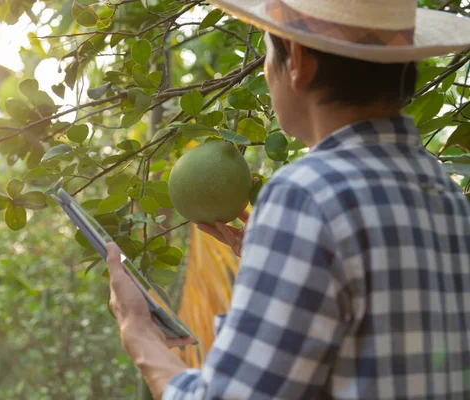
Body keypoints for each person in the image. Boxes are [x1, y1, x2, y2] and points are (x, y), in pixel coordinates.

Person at [105, 0, 470, 398]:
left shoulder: (306, 195)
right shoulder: (445, 193)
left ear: (297, 61)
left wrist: (139, 334)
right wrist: (290, 262)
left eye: (266, 51)